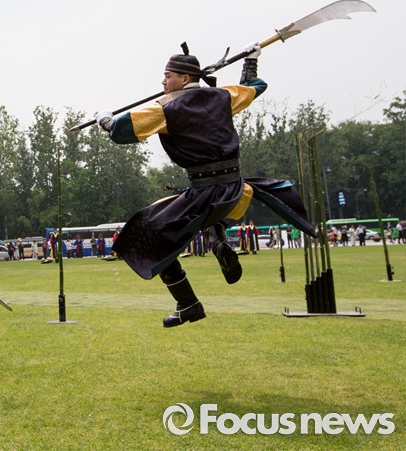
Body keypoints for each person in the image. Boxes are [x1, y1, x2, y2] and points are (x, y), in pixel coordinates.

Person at [95, 42, 314, 328]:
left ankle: (188, 303)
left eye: (168, 76)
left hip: (204, 191)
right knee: (204, 214)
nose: (163, 82)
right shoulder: (223, 96)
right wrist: (251, 61)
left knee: (143, 234)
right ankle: (217, 239)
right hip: (235, 187)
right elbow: (254, 87)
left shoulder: (165, 109)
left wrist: (105, 121)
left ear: (184, 78)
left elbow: (121, 132)